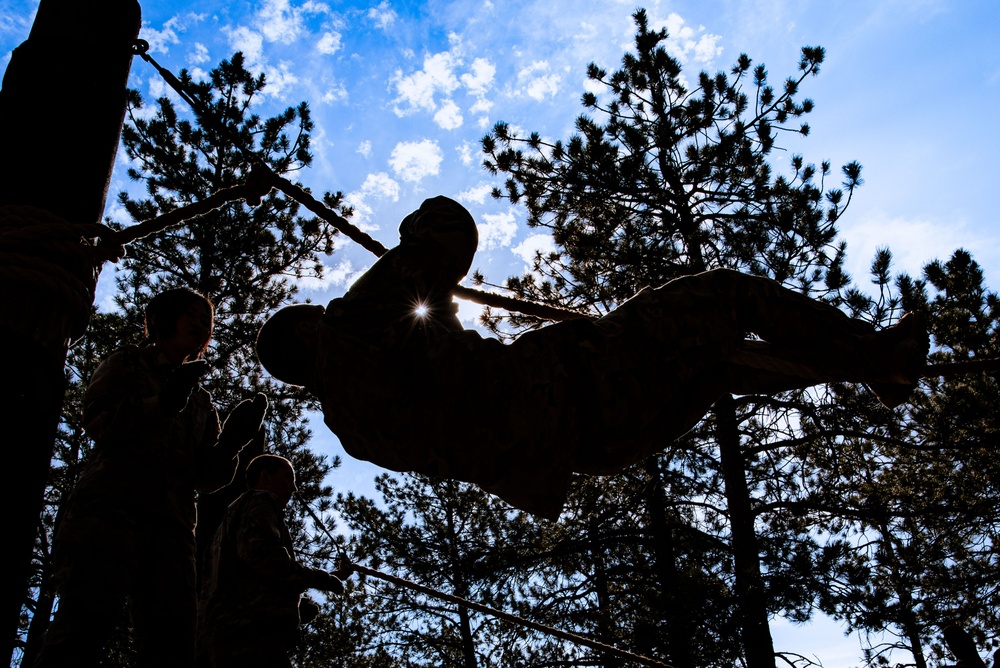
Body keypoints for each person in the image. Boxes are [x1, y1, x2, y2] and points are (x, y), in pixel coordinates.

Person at [255, 196, 929, 520]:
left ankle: (878, 366)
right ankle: (878, 355)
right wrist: (411, 233)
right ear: (311, 332)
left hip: (595, 445)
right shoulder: (350, 327)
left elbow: (443, 388)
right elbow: (449, 232)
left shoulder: (354, 431)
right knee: (724, 296)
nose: (326, 313)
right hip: (578, 383)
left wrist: (441, 318)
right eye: (315, 316)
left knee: (718, 365)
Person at [37, 287, 268, 668]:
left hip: (174, 529)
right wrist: (160, 404)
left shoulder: (201, 401)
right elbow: (98, 421)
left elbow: (204, 479)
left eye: (206, 321)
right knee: (81, 631)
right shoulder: (129, 363)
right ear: (162, 319)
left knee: (173, 644)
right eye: (191, 315)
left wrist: (233, 442)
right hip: (109, 511)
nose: (201, 325)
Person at [198, 454, 350, 668]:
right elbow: (264, 557)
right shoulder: (261, 500)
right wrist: (320, 579)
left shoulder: (228, 525)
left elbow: (250, 576)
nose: (293, 487)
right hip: (247, 635)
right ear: (265, 477)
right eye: (288, 478)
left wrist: (300, 605)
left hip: (221, 636)